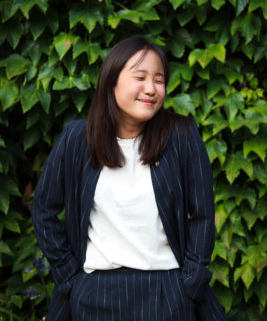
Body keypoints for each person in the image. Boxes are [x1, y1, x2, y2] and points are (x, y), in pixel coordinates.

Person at [32, 36, 226, 321]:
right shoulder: (77, 139)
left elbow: (203, 215)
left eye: (159, 80)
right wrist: (69, 277)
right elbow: (44, 209)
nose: (151, 89)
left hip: (168, 293)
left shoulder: (181, 136)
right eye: (140, 77)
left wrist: (191, 280)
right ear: (112, 81)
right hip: (93, 294)